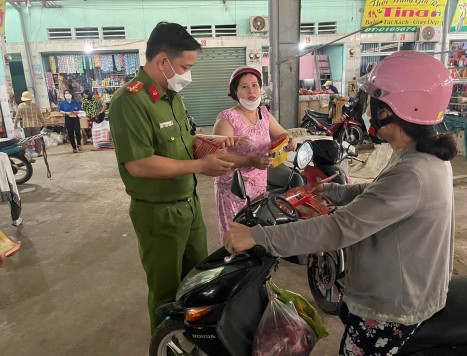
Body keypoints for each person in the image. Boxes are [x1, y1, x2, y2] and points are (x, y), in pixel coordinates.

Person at [223, 51, 457, 355]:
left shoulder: (414, 172)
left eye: (372, 99)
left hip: (392, 307)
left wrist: (258, 237)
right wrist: (334, 192)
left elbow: (338, 228)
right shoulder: (421, 155)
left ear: (392, 108)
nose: (365, 108)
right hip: (403, 286)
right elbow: (379, 192)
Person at [108, 21, 234, 336]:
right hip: (158, 213)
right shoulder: (130, 101)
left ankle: (190, 338)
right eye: (184, 67)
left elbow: (181, 142)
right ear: (163, 61)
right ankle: (165, 343)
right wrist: (200, 167)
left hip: (188, 207)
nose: (187, 75)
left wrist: (209, 142)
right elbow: (139, 164)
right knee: (166, 293)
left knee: (197, 283)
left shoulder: (170, 96)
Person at [213, 66, 296, 243]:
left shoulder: (264, 114)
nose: (251, 91)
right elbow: (219, 156)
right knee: (235, 232)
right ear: (235, 91)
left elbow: (282, 133)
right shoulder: (227, 118)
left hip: (258, 184)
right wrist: (252, 160)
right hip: (233, 187)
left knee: (254, 230)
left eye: (255, 85)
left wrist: (289, 139)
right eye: (244, 86)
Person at [13, 91, 45, 157]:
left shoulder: (21, 106)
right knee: (37, 139)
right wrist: (44, 122)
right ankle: (39, 152)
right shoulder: (35, 105)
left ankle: (29, 152)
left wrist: (15, 124)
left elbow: (17, 116)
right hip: (35, 124)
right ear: (31, 98)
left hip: (26, 125)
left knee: (28, 139)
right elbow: (40, 115)